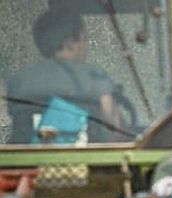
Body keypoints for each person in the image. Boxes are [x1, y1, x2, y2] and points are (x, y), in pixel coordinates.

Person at [6, 8, 121, 144]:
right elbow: (113, 127)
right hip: (87, 161)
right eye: (84, 39)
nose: (86, 46)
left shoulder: (18, 81)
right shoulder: (94, 76)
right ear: (70, 43)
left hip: (28, 163)